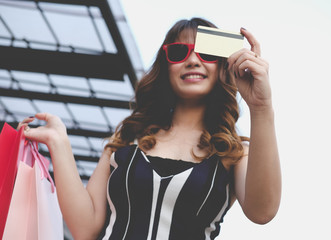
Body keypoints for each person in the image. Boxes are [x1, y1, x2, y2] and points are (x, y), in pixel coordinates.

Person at [18, 17, 281, 239]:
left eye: (207, 53)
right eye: (179, 52)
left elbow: (262, 212)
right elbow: (85, 228)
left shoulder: (234, 154)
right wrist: (59, 143)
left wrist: (261, 107)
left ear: (224, 66)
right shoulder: (128, 139)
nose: (192, 60)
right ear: (166, 67)